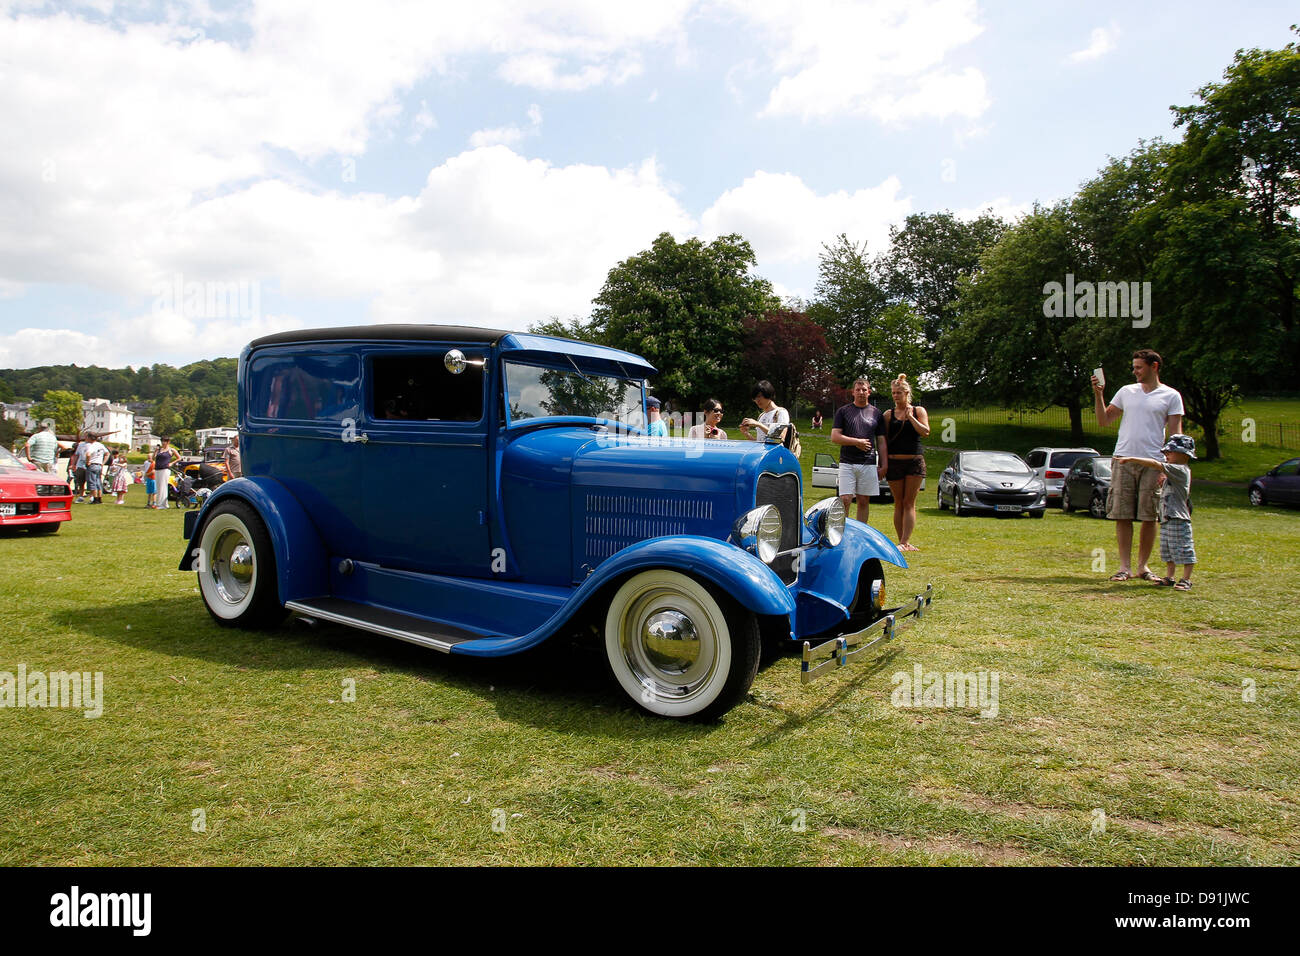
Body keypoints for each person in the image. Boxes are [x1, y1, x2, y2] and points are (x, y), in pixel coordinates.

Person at [1092, 349, 1184, 582]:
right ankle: (1125, 567)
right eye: (1133, 368)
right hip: (1123, 459)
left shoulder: (1171, 396)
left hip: (1153, 463)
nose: (1134, 372)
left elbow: (1176, 436)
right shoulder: (1126, 391)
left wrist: (1168, 468)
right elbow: (1104, 421)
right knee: (1122, 515)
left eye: (1139, 368)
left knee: (1149, 516)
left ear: (1154, 366)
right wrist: (1098, 394)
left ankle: (1143, 567)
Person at [1114, 434, 1197, 591]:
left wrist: (1132, 459)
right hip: (1166, 518)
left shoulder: (1180, 469)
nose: (1166, 455)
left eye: (1170, 452)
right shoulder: (1173, 471)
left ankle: (1186, 579)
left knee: (1184, 548)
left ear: (1184, 454)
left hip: (1178, 518)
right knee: (1168, 550)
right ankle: (1170, 577)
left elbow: (1154, 464)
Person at [883, 374, 929, 552]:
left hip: (914, 461)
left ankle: (905, 541)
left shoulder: (919, 411)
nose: (896, 396)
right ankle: (901, 541)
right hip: (894, 462)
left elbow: (925, 432)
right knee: (899, 502)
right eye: (893, 393)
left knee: (909, 502)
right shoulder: (888, 415)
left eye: (899, 393)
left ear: (907, 393)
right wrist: (883, 463)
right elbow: (883, 441)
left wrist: (911, 418)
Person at [830, 378, 887, 524]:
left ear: (869, 392)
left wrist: (883, 464)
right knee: (845, 499)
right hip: (847, 462)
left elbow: (881, 441)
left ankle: (860, 533)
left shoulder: (876, 414)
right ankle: (842, 531)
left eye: (864, 390)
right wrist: (856, 442)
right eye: (858, 390)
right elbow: (835, 437)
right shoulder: (843, 412)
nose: (861, 392)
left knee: (863, 500)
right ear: (853, 392)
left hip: (868, 463)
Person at [82, 433, 108, 504]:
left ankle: (95, 499)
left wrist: (88, 462)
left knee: (92, 482)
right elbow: (107, 453)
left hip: (92, 464)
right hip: (99, 465)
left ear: (90, 438)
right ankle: (99, 498)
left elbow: (88, 454)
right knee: (98, 482)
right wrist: (103, 463)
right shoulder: (100, 445)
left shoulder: (92, 446)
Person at [152, 437, 178, 510]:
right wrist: (155, 451)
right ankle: (158, 503)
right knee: (158, 486)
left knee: (163, 486)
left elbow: (179, 457)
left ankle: (163, 504)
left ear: (168, 442)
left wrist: (171, 463)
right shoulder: (159, 450)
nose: (163, 443)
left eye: (165, 441)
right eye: (162, 441)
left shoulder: (171, 450)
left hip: (165, 469)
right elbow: (153, 458)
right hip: (157, 469)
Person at [71, 435, 89, 502]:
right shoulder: (80, 445)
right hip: (80, 465)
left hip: (89, 466)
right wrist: (74, 464)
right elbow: (77, 455)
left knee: (91, 482)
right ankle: (81, 496)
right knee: (81, 482)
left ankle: (93, 497)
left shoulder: (95, 445)